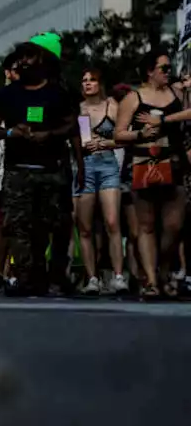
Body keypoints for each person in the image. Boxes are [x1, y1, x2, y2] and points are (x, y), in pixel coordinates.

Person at [0, 33, 83, 297]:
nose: (24, 64)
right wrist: (10, 132)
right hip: (18, 171)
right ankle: (29, 278)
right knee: (20, 227)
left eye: (30, 59)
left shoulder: (58, 93)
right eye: (21, 60)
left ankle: (58, 276)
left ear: (41, 61)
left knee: (58, 225)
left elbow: (72, 126)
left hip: (53, 170)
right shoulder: (6, 94)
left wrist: (53, 137)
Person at [118, 47, 187, 298]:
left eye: (170, 68)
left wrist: (164, 121)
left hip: (175, 163)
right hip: (144, 163)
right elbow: (119, 133)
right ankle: (150, 280)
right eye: (164, 68)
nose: (168, 73)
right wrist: (140, 134)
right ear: (149, 71)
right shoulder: (133, 98)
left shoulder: (177, 93)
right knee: (146, 226)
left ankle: (163, 269)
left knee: (174, 226)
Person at [77, 67, 125, 295]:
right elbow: (75, 140)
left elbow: (124, 137)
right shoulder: (79, 110)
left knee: (112, 222)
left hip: (107, 164)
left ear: (100, 84)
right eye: (84, 80)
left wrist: (105, 143)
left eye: (92, 80)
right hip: (85, 165)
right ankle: (92, 277)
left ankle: (118, 275)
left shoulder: (112, 106)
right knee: (84, 226)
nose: (87, 84)